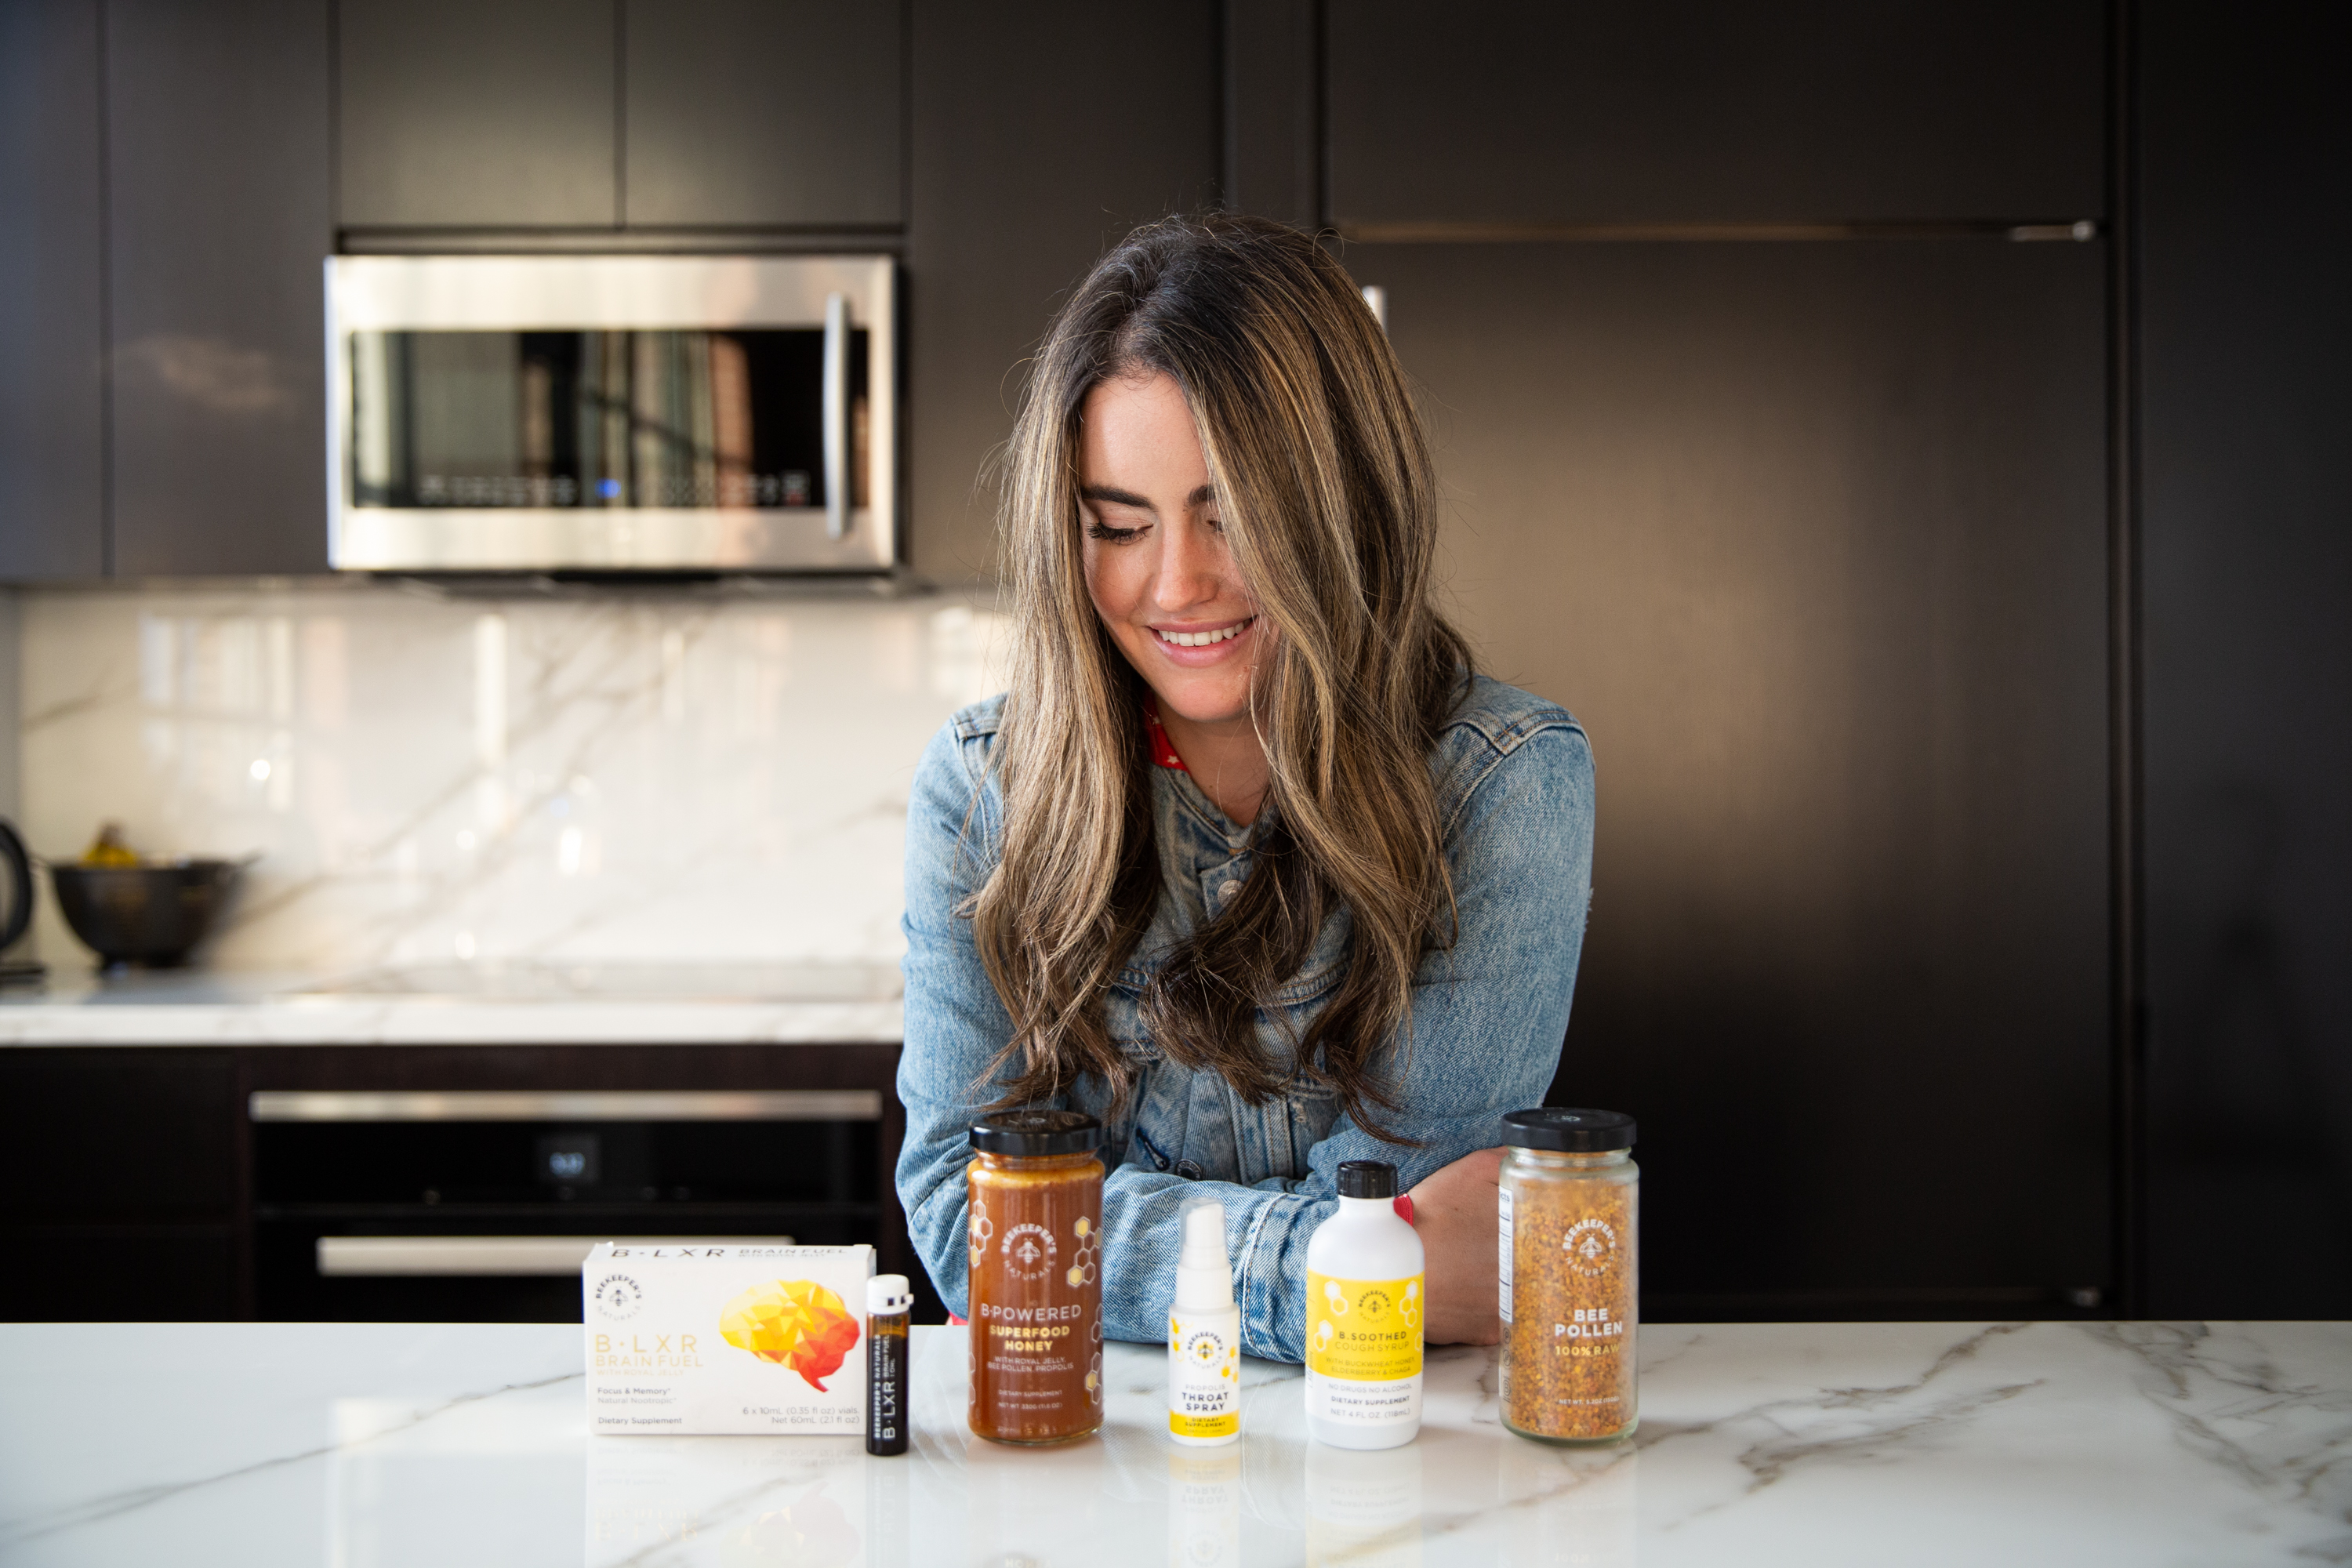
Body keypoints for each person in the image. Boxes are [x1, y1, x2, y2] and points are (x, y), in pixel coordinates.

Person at [896, 213, 1594, 1362]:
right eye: (1118, 524)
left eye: (1232, 517)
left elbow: (1423, 1218)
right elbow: (965, 1219)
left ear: (1343, 503)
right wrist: (1328, 1264)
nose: (1178, 584)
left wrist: (1092, 1232)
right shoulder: (982, 788)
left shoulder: (1505, 782)